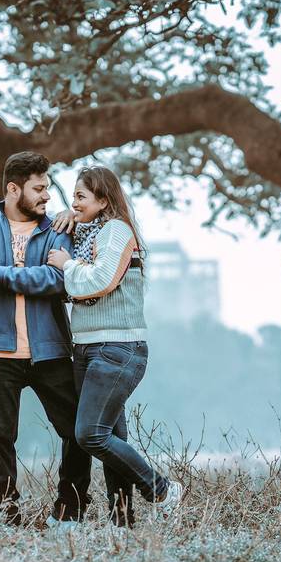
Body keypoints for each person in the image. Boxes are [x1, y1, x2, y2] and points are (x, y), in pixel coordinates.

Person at [0, 151, 90, 526]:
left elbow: (57, 281)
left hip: (51, 351)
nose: (48, 195)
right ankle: (3, 512)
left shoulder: (58, 233)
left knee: (77, 432)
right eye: (39, 188)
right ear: (14, 189)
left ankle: (70, 511)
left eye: (47, 187)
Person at [48, 166, 182, 528]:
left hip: (118, 348)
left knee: (89, 434)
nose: (73, 203)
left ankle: (162, 488)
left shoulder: (116, 231)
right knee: (112, 435)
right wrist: (67, 218)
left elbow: (101, 280)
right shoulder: (86, 232)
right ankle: (122, 520)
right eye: (72, 196)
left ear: (103, 200)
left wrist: (67, 265)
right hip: (88, 349)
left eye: (81, 196)